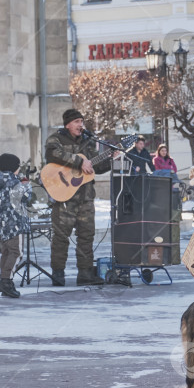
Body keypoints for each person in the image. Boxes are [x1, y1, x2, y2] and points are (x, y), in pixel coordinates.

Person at [44, 109, 114, 286]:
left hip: (86, 198)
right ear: (67, 124)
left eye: (81, 121)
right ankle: (58, 273)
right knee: (61, 237)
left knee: (86, 236)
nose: (80, 125)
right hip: (64, 197)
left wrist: (110, 159)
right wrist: (79, 161)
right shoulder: (56, 139)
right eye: (76, 122)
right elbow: (52, 154)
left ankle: (85, 273)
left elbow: (93, 168)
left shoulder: (88, 141)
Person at [0, 153, 32, 299]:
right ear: (14, 168)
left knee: (7, 252)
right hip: (16, 223)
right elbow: (26, 196)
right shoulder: (14, 181)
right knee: (16, 252)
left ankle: (5, 280)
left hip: (5, 223)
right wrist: (26, 183)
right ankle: (6, 281)